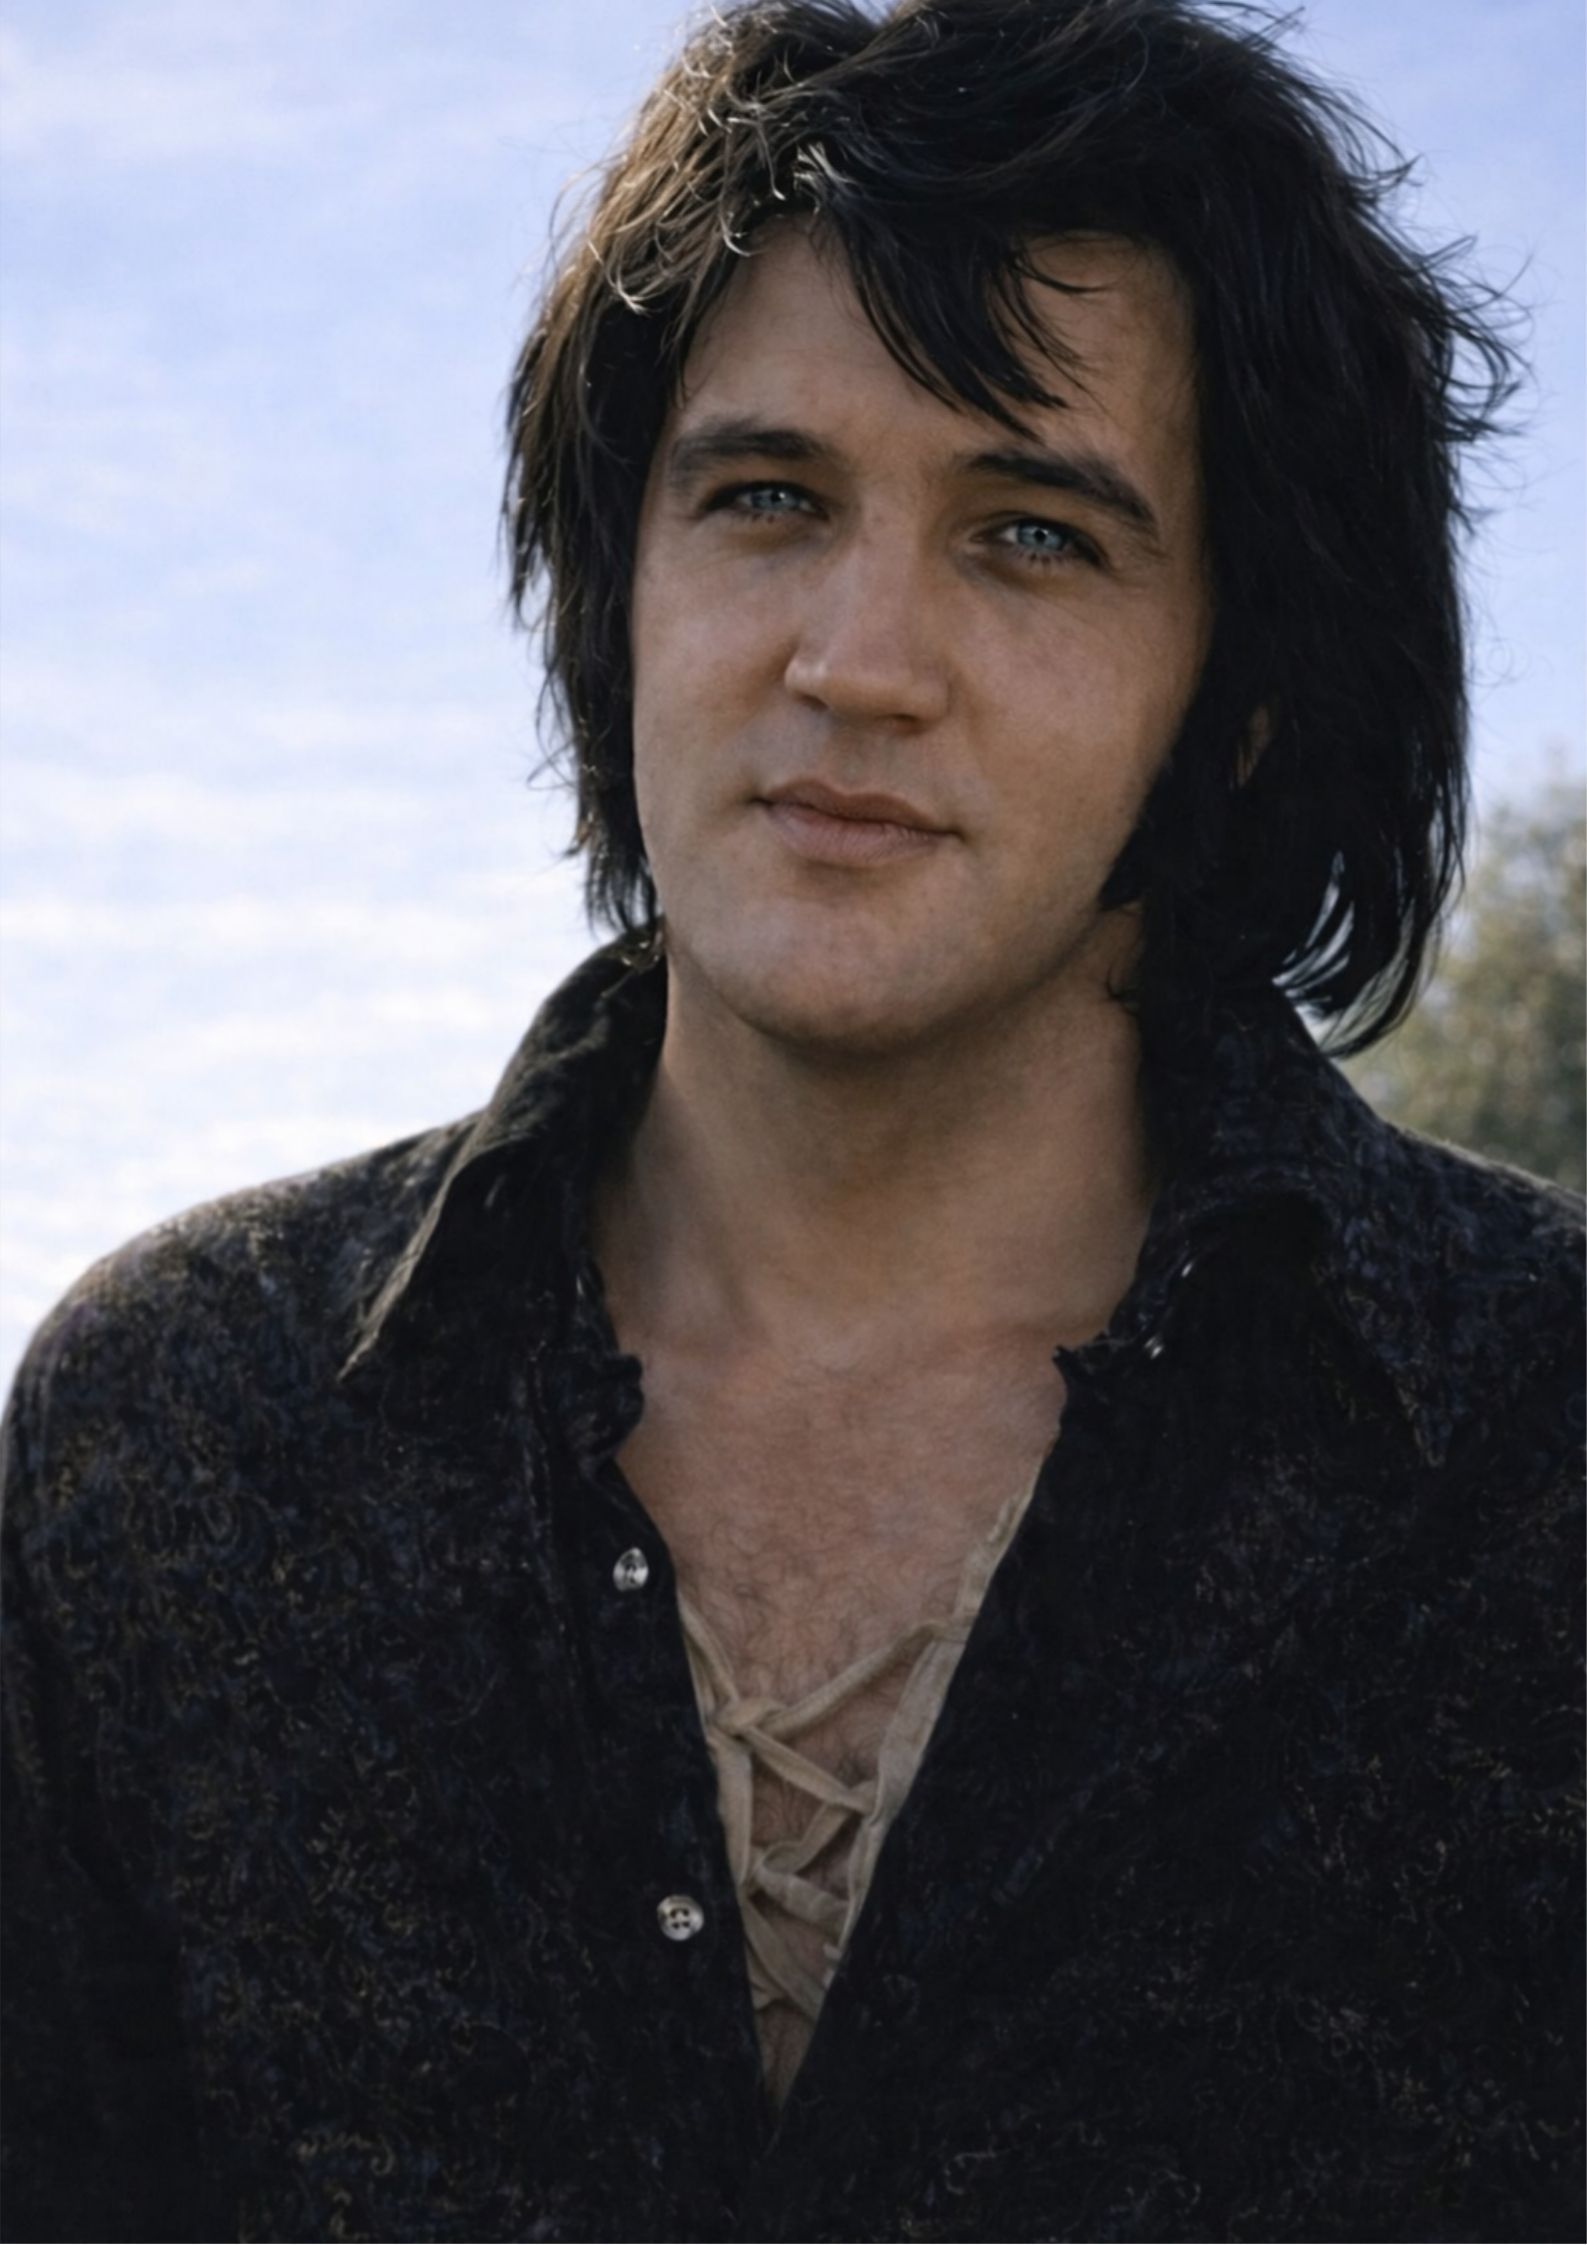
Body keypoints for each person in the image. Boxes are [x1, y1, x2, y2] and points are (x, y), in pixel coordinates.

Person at [2, 0, 1581, 2236]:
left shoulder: (1535, 1453)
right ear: (620, 583)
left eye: (1030, 533)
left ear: (1236, 693)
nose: (855, 657)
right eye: (766, 499)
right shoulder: (174, 1432)